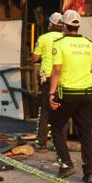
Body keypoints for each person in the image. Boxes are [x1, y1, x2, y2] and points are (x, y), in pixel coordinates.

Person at [46, 9, 92, 182]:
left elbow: (56, 70)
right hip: (86, 95)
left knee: (56, 127)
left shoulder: (59, 44)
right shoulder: (90, 44)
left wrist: (51, 94)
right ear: (77, 26)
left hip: (67, 94)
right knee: (85, 132)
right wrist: (86, 70)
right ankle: (89, 172)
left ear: (64, 25)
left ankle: (66, 164)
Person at [32, 12, 65, 149]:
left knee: (45, 111)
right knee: (62, 112)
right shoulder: (66, 38)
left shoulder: (43, 38)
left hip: (48, 78)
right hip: (63, 79)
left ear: (51, 24)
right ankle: (60, 144)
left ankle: (41, 142)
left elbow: (35, 58)